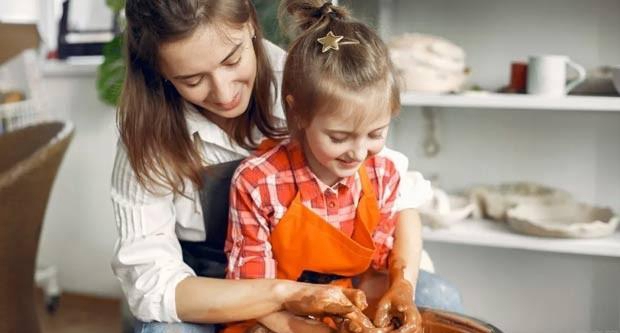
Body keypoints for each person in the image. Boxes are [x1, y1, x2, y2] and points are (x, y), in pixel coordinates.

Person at [110, 0, 462, 332]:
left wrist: (402, 282)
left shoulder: (310, 76)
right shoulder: (148, 136)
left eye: (232, 60)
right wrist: (285, 307)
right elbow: (152, 283)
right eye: (193, 80)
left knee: (439, 297)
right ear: (160, 70)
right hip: (217, 289)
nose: (223, 91)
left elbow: (395, 192)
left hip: (335, 278)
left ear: (249, 23)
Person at [223, 2, 457, 333]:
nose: (358, 153)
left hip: (347, 305)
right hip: (272, 312)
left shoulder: (381, 173)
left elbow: (375, 273)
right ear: (299, 113)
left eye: (376, 133)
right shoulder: (258, 181)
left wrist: (399, 289)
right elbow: (250, 292)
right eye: (339, 137)